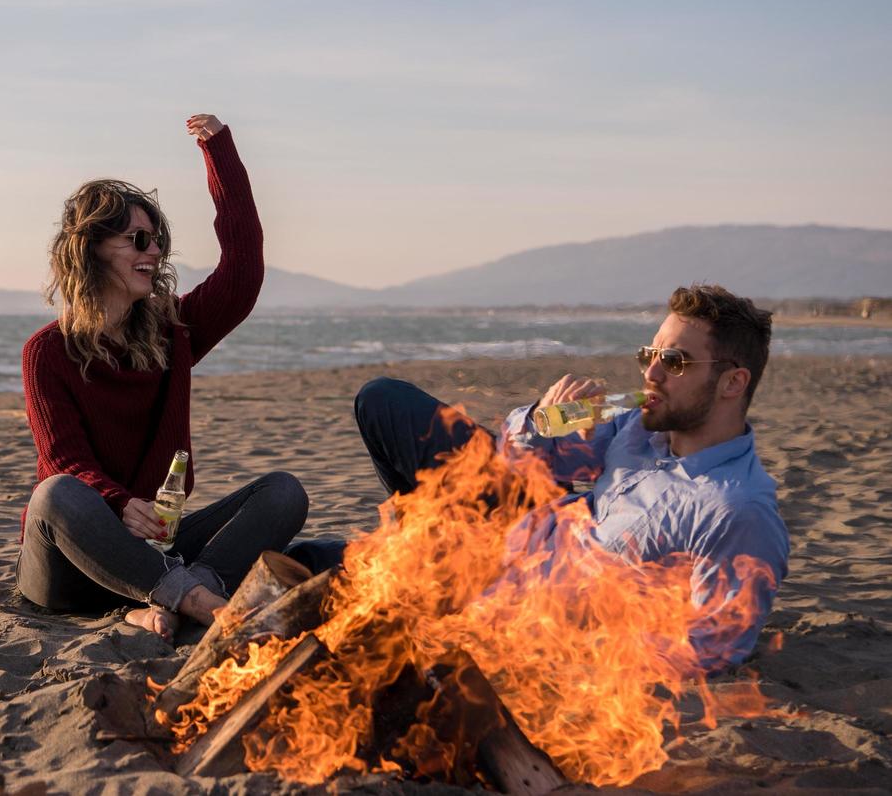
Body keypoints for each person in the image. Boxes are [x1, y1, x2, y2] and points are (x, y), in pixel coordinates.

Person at [290, 283, 789, 673]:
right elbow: (524, 461)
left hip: (518, 599)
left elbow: (712, 650)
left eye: (674, 361)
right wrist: (544, 421)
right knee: (383, 401)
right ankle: (415, 538)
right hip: (519, 525)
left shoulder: (735, 510)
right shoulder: (639, 425)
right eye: (649, 355)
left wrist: (553, 640)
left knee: (312, 566)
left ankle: (407, 550)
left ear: (733, 382)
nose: (651, 375)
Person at [18, 113, 308, 640]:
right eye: (137, 239)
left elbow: (243, 270)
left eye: (156, 241)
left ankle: (170, 597)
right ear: (91, 250)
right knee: (56, 491)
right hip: (71, 562)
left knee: (283, 492)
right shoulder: (47, 352)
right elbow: (66, 460)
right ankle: (198, 600)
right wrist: (116, 504)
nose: (153, 252)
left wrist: (219, 152)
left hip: (156, 550)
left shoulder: (171, 332)